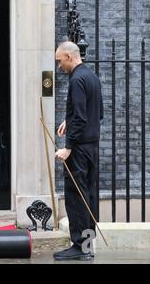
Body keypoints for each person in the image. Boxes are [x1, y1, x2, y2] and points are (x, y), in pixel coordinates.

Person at [53, 41, 103, 261]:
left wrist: (68, 147)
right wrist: (68, 120)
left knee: (76, 195)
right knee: (89, 194)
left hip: (80, 149)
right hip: (92, 147)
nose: (59, 66)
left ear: (69, 56)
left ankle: (79, 247)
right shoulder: (91, 77)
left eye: (59, 61)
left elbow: (82, 117)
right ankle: (88, 245)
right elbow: (96, 113)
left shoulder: (76, 80)